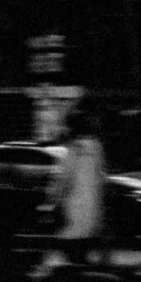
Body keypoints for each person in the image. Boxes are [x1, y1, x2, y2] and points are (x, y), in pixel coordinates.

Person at [45, 103, 106, 267]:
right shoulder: (97, 148)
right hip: (92, 217)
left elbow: (63, 179)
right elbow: (101, 179)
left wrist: (52, 201)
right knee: (84, 261)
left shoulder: (71, 150)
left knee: (60, 256)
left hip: (72, 217)